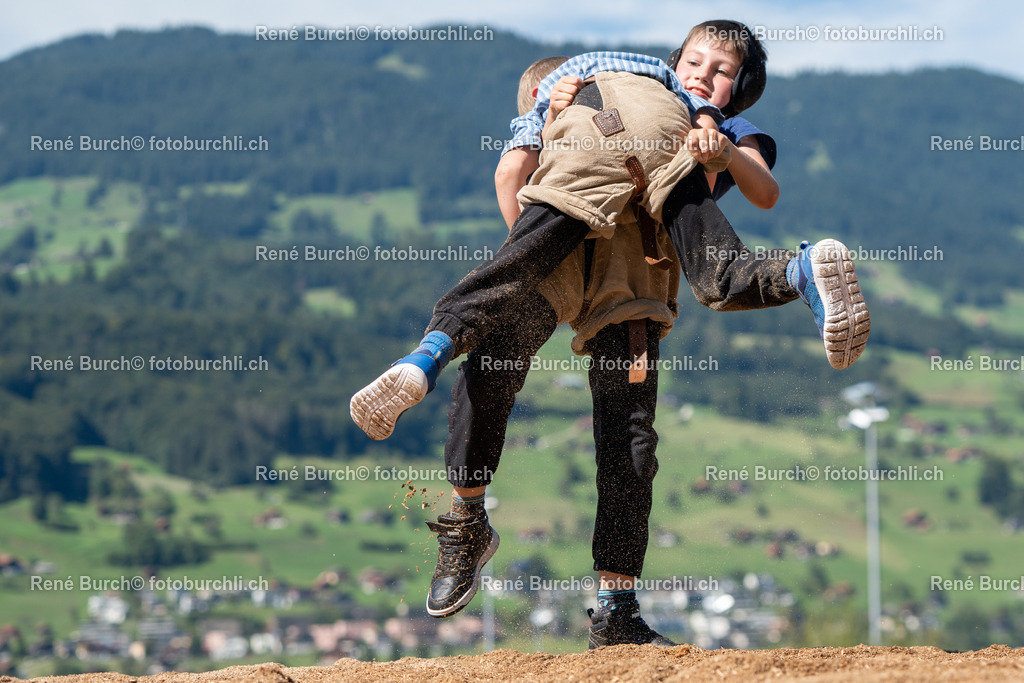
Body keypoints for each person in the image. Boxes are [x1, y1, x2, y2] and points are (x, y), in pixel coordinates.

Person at [350, 25, 869, 444]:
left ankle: (431, 363)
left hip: (639, 263)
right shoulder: (640, 103)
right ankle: (799, 271)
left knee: (712, 286)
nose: (703, 75)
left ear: (742, 90)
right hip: (617, 267)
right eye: (692, 62)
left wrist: (723, 149)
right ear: (673, 65)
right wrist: (561, 112)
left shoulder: (729, 128)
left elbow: (766, 191)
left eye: (722, 71)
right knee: (713, 290)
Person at [425, 54, 683, 648]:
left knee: (626, 436)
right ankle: (470, 522)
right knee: (494, 370)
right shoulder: (538, 137)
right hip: (570, 274)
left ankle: (614, 610)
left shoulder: (632, 122)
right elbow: (510, 177)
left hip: (625, 283)